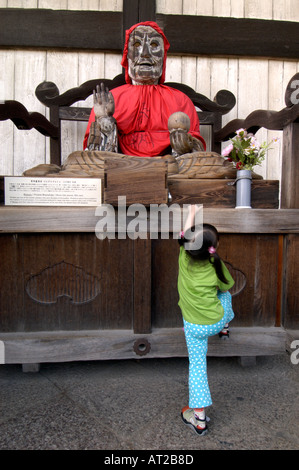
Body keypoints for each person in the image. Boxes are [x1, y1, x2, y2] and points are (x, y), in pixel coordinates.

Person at [83, 21, 206, 157]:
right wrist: (105, 123)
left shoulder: (180, 100)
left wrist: (184, 143)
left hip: (169, 168)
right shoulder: (112, 99)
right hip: (121, 167)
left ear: (163, 56)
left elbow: (196, 151)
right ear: (127, 55)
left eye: (154, 45)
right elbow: (94, 153)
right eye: (136, 45)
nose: (145, 54)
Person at [178, 205, 235, 435]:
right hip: (216, 321)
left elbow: (182, 236)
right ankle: (227, 325)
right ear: (214, 247)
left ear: (188, 247)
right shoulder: (216, 264)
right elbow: (227, 286)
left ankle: (199, 419)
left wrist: (191, 214)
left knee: (197, 367)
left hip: (193, 327)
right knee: (225, 295)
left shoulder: (183, 258)